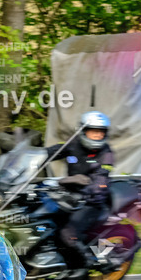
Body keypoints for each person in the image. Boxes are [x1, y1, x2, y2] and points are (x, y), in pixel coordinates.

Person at [45, 110, 115, 270]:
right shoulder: (74, 144)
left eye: (101, 131)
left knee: (67, 233)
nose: (97, 135)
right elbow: (54, 151)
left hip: (92, 201)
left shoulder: (106, 154)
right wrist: (36, 156)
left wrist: (89, 187)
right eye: (93, 131)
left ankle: (87, 262)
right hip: (70, 197)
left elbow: (101, 179)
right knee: (47, 222)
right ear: (83, 131)